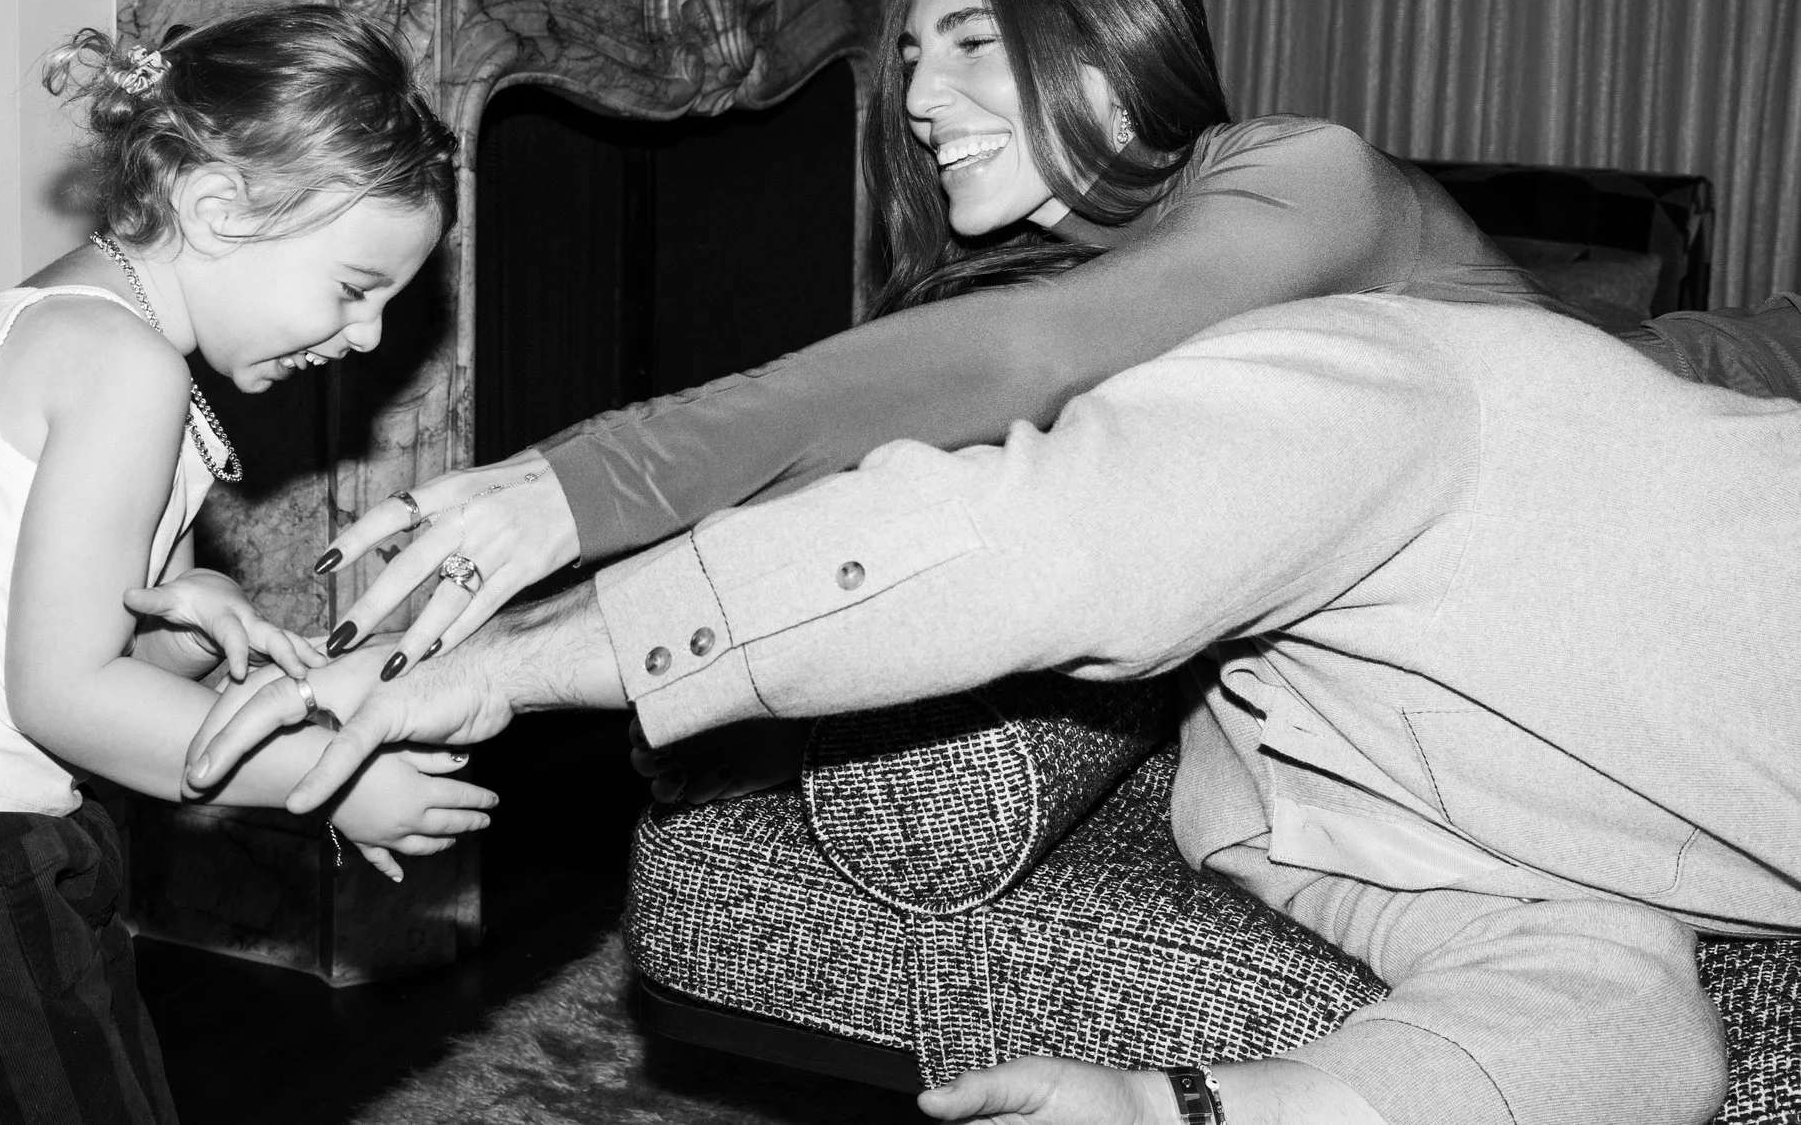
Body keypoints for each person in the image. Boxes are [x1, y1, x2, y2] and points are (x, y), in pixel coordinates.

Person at [188, 290, 1801, 1125]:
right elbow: (1613, 1017)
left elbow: (1031, 543)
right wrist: (1200, 1111)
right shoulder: (1256, 797)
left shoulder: (1390, 383)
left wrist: (494, 665)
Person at [312, 0, 1575, 685]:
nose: (916, 97)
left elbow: (1035, 350)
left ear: (1110, 45)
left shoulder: (1311, 175)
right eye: (910, 53)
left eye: (975, 43)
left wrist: (570, 486)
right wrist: (498, 642)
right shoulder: (1028, 272)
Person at [0, 9, 497, 1125]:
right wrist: (327, 774)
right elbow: (63, 693)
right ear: (216, 207)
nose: (372, 337)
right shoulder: (120, 364)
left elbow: (117, 646)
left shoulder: (109, 333)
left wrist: (196, 616)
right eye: (353, 286)